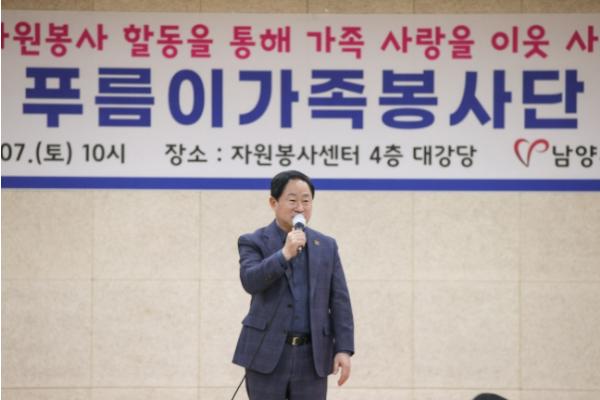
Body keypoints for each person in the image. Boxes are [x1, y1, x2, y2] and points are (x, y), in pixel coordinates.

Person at [232, 170, 355, 400]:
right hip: (266, 353)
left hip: (313, 356)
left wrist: (344, 349)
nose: (300, 208)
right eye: (292, 200)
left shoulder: (326, 245)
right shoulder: (253, 241)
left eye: (306, 201)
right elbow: (250, 281)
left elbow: (339, 300)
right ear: (273, 202)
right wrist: (284, 254)